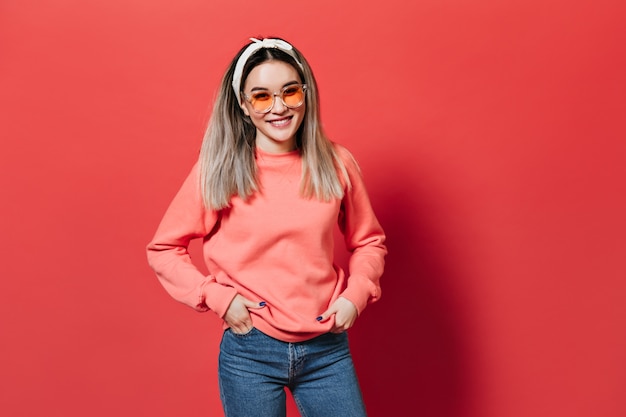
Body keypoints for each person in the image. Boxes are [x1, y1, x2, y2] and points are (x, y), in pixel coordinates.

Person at [146, 37, 387, 417]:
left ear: (305, 93)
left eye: (290, 91)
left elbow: (369, 241)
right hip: (251, 351)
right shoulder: (221, 170)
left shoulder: (336, 163)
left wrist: (355, 295)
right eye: (261, 96)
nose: (279, 107)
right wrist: (219, 299)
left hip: (327, 349)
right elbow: (163, 248)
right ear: (243, 105)